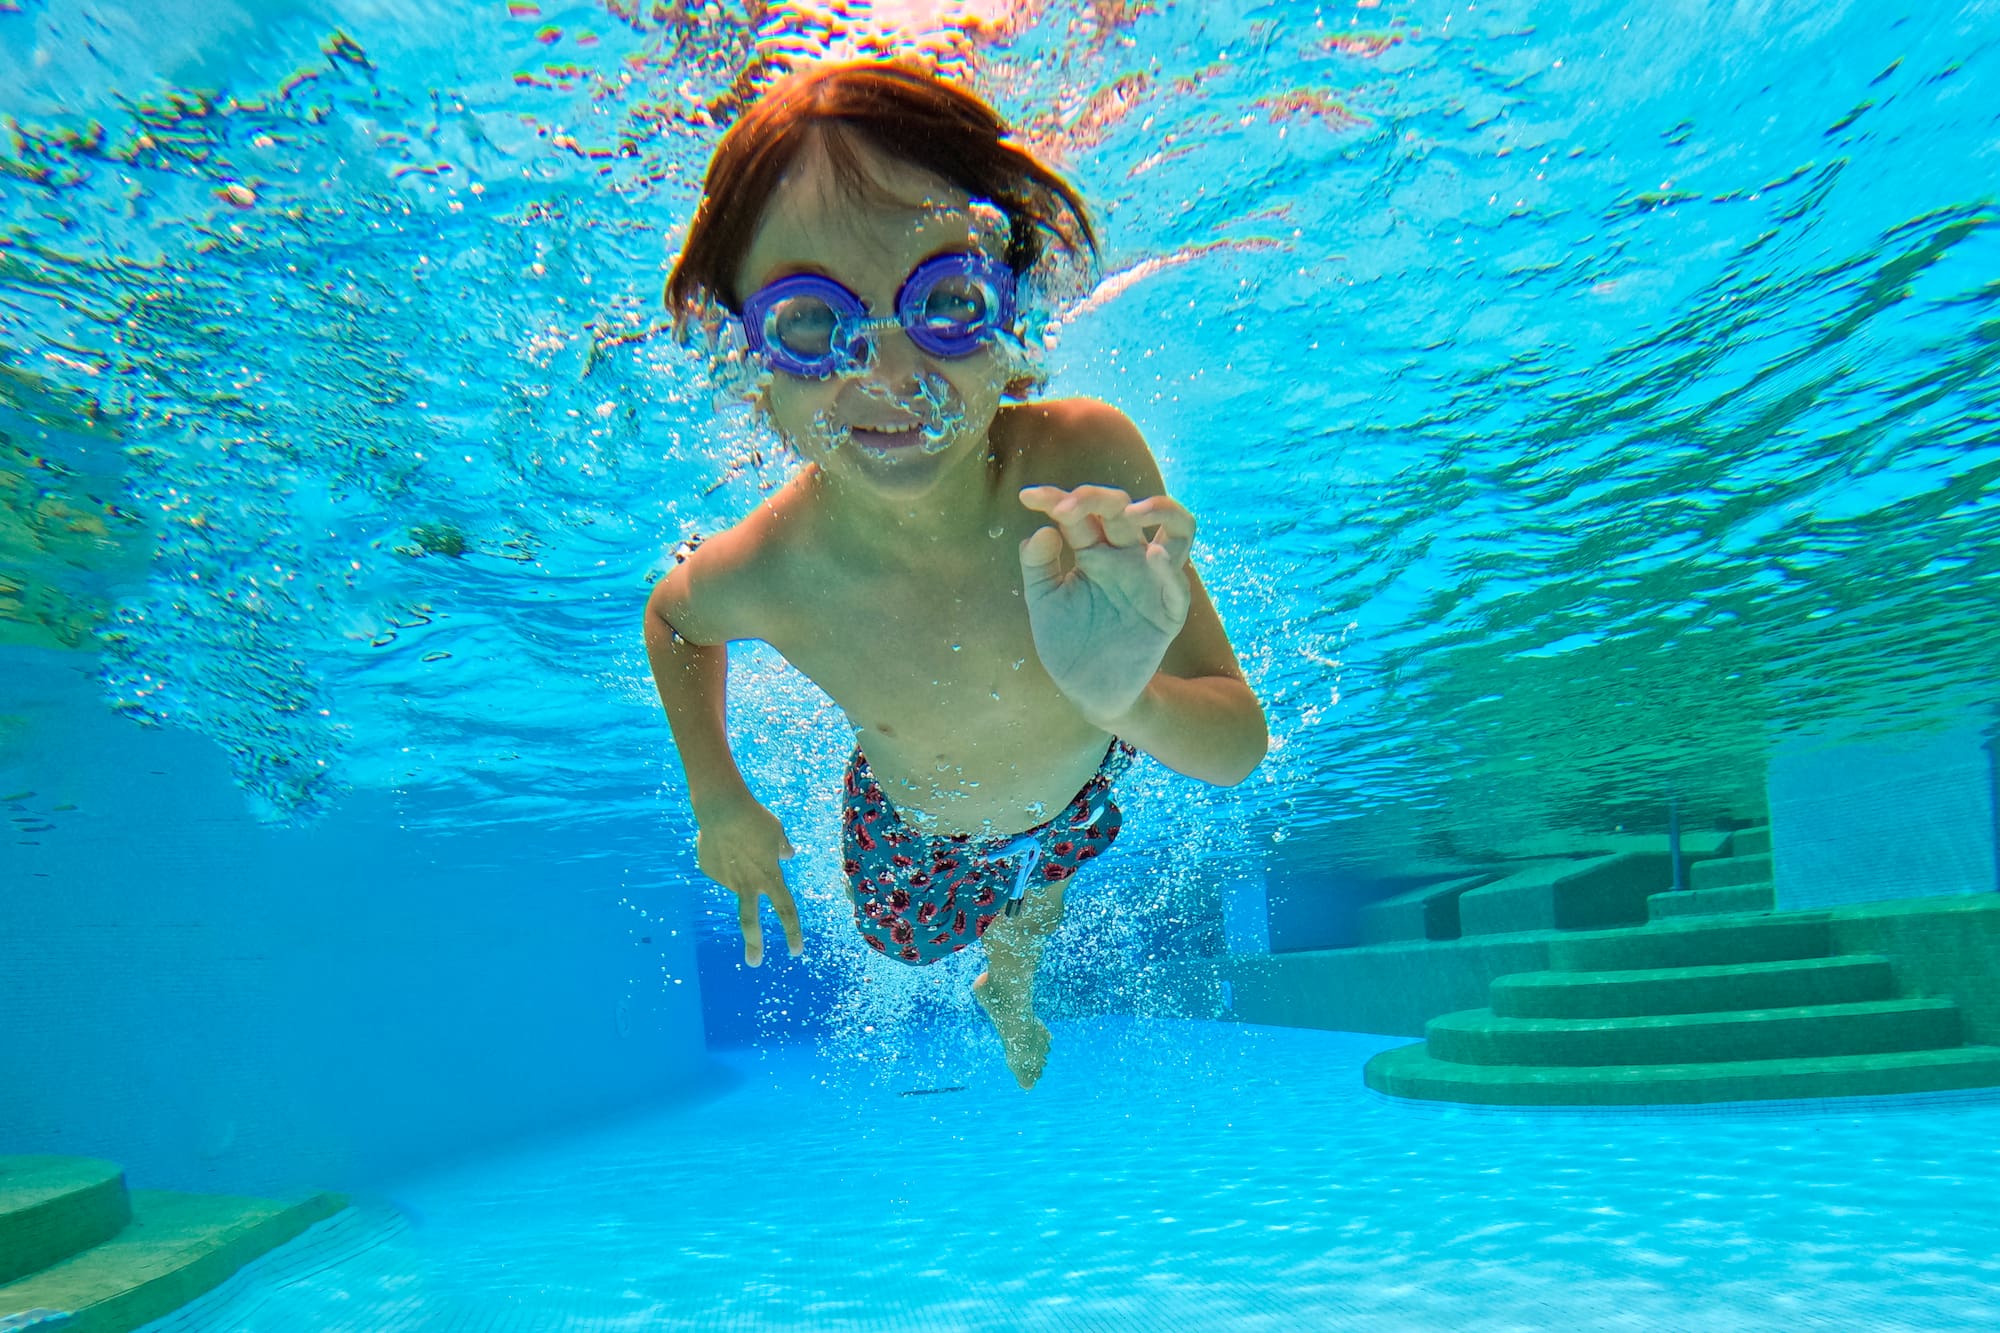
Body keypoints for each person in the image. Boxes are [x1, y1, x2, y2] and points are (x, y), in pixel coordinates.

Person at [643, 59, 1267, 1089]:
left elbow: (1233, 740)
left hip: (1081, 785)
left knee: (1047, 868)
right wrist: (719, 798)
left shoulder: (1080, 467)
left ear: (1012, 317)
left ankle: (1009, 978)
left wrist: (1127, 697)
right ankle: (999, 958)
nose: (889, 377)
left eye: (946, 300)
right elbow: (675, 620)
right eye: (811, 324)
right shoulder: (772, 564)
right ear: (743, 364)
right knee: (909, 940)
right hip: (912, 832)